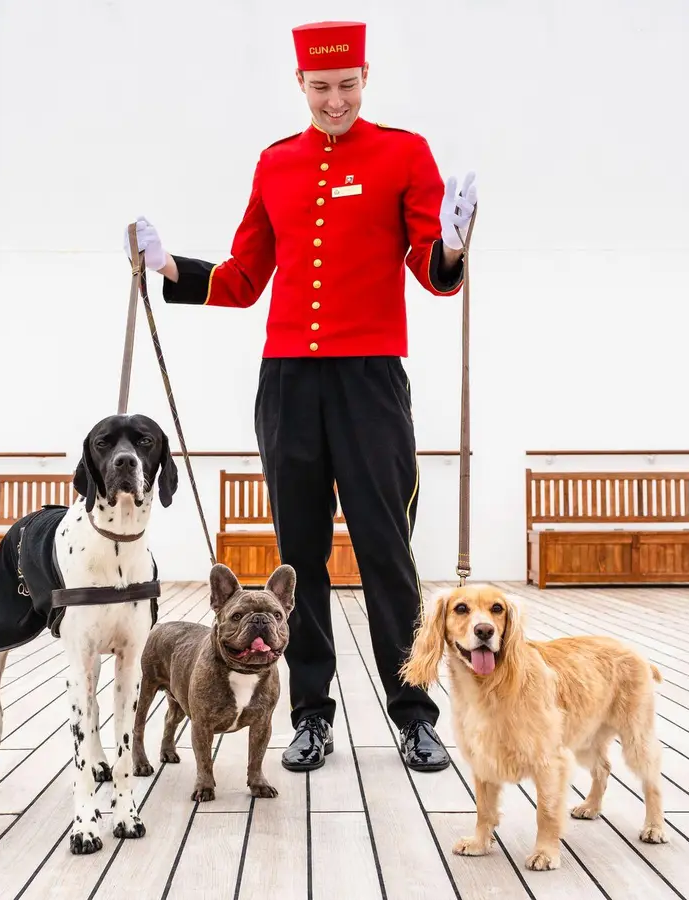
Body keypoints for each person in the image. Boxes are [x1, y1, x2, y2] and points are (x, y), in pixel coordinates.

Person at [125, 20, 476, 774]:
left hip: (370, 380)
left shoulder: (404, 153)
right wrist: (169, 268)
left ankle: (414, 713)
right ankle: (309, 714)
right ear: (301, 87)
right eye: (321, 88)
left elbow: (429, 266)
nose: (336, 100)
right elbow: (246, 278)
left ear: (364, 79)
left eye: (347, 85)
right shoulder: (276, 162)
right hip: (287, 381)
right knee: (301, 558)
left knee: (386, 550)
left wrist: (450, 244)